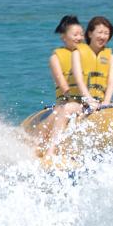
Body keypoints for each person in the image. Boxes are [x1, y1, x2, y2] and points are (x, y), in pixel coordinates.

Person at [43, 15, 98, 150]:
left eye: (81, 34)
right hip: (66, 101)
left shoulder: (87, 54)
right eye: (75, 34)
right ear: (64, 37)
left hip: (88, 101)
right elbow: (62, 84)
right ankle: (48, 146)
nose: (79, 37)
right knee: (60, 111)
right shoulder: (55, 57)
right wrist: (73, 101)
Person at [82, 16, 113, 105]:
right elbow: (79, 80)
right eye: (100, 32)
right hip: (82, 102)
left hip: (102, 103)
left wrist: (106, 103)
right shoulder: (78, 55)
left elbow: (111, 83)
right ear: (90, 34)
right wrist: (89, 100)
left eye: (106, 33)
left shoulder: (112, 58)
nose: (103, 36)